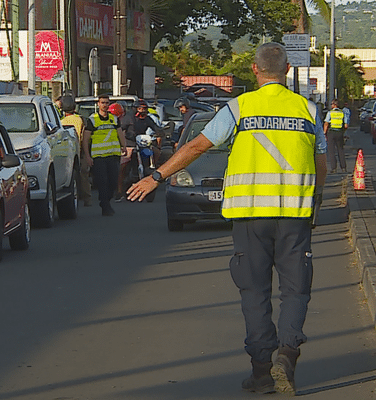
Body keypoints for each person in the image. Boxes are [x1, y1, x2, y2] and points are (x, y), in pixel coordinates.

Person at [128, 42, 328, 396]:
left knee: (254, 293)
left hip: (249, 218)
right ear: (286, 70)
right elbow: (321, 164)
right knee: (296, 290)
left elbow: (196, 146)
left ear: (254, 70)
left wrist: (156, 177)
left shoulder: (240, 107)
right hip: (295, 216)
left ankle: (262, 373)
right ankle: (288, 353)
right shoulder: (308, 109)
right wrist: (315, 203)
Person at [82, 94, 127, 216]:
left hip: (113, 155)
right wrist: (87, 156)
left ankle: (107, 200)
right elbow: (85, 139)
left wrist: (124, 146)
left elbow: (119, 133)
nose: (105, 105)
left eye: (107, 103)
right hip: (99, 157)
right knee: (103, 181)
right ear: (98, 104)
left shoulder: (114, 119)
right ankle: (105, 205)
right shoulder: (92, 120)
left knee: (113, 181)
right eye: (103, 103)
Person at [117, 99, 163, 200]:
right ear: (135, 109)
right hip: (130, 144)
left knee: (155, 152)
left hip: (143, 144)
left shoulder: (148, 119)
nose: (142, 111)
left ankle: (152, 167)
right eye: (140, 108)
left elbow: (155, 128)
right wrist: (126, 136)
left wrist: (160, 132)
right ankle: (119, 191)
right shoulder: (128, 118)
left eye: (144, 109)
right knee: (123, 166)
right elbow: (120, 129)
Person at [60, 95, 92, 207]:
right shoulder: (80, 119)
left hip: (67, 152)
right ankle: (87, 198)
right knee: (84, 176)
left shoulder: (61, 121)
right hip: (81, 151)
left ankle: (75, 197)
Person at [324, 99, 349, 173]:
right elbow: (346, 125)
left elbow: (326, 123)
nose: (331, 105)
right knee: (340, 150)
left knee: (331, 151)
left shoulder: (330, 113)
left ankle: (334, 168)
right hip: (340, 133)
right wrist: (343, 131)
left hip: (331, 132)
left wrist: (324, 133)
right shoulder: (342, 113)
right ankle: (343, 167)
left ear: (334, 105)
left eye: (332, 104)